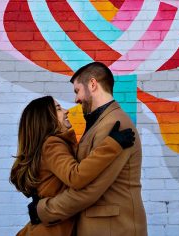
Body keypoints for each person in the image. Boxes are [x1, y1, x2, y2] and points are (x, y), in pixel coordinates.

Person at [28, 62, 147, 236]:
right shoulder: (99, 122)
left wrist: (44, 210)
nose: (76, 99)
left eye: (77, 91)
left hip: (113, 228)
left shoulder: (115, 124)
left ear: (92, 84)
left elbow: (90, 189)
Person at [11, 95, 136, 236]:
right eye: (58, 109)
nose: (66, 111)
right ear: (46, 118)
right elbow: (75, 176)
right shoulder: (52, 144)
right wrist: (112, 144)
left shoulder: (49, 145)